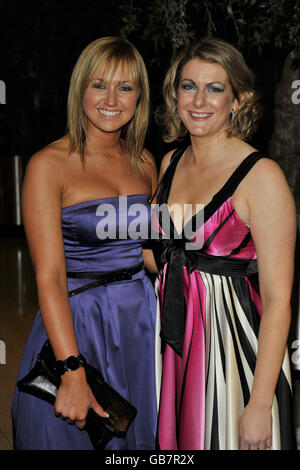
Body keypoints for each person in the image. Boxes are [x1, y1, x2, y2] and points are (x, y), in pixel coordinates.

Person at [12, 36, 158, 450]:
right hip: (78, 322)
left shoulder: (145, 161)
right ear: (80, 90)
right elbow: (50, 277)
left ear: (138, 97)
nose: (112, 98)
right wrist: (72, 371)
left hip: (140, 323)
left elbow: (149, 253)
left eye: (125, 87)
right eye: (100, 84)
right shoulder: (48, 165)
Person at [152, 37, 297, 450]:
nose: (198, 100)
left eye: (215, 88)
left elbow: (278, 300)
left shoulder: (261, 176)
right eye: (188, 86)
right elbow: (161, 260)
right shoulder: (170, 162)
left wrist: (259, 401)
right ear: (174, 93)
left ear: (238, 99)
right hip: (177, 349)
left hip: (236, 357)